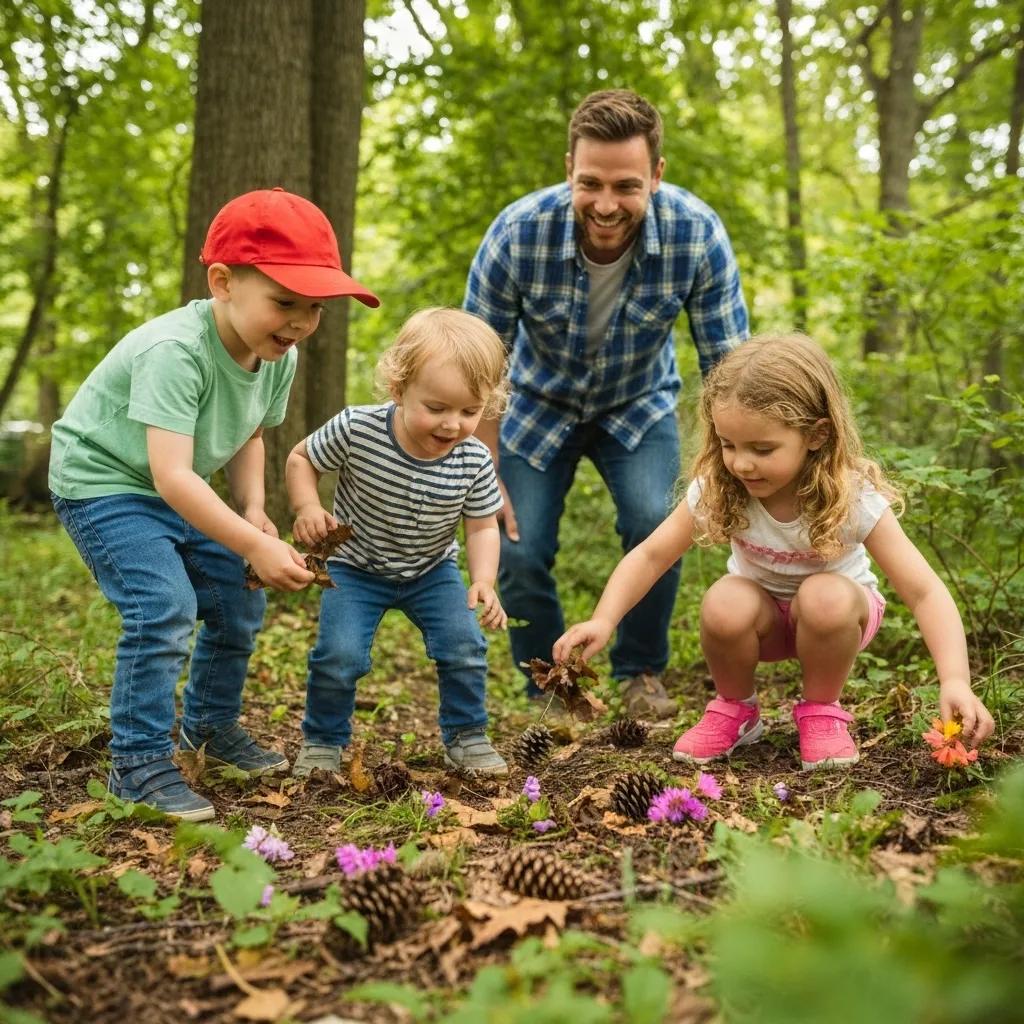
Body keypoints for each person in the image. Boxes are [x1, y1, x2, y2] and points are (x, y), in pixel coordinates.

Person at [49, 188, 380, 820]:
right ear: (224, 282)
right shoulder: (175, 351)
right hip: (106, 482)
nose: (300, 323)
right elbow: (172, 477)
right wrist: (255, 543)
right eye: (285, 303)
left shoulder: (276, 354)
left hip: (176, 485)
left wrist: (253, 507)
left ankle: (209, 725)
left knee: (236, 599)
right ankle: (139, 763)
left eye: (315, 309)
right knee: (163, 606)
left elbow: (250, 431)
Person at [554, 333, 994, 769]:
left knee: (825, 594)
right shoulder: (722, 489)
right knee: (724, 598)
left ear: (817, 435)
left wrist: (955, 679)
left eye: (762, 449)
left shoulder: (851, 497)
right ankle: (736, 709)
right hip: (762, 624)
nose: (742, 463)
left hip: (836, 619)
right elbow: (652, 555)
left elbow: (924, 591)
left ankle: (822, 710)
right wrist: (604, 618)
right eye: (728, 445)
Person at [464, 88, 748, 718]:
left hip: (637, 405)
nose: (606, 203)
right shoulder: (517, 233)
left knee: (655, 520)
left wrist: (727, 458)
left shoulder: (696, 234)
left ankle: (640, 671)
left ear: (657, 175)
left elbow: (728, 366)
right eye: (590, 183)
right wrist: (482, 469)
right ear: (569, 169)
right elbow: (478, 364)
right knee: (516, 542)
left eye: (627, 186)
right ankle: (551, 680)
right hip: (534, 409)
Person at [285, 307, 511, 778]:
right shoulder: (358, 428)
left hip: (432, 571)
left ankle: (466, 735)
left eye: (470, 411)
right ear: (399, 389)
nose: (453, 424)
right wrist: (307, 507)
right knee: (339, 655)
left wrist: (484, 580)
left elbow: (483, 524)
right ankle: (324, 741)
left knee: (464, 645)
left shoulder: (472, 457)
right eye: (437, 408)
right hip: (354, 567)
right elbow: (301, 457)